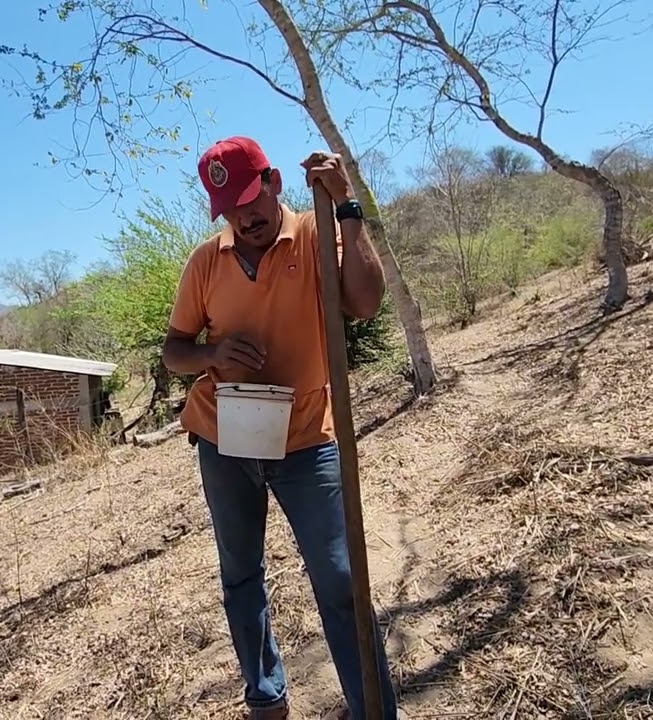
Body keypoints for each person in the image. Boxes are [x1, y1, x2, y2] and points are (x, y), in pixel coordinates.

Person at [161, 136, 400, 720]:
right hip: (224, 439)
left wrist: (346, 205)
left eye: (250, 197)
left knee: (342, 578)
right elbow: (174, 351)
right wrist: (214, 352)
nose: (245, 216)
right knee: (240, 575)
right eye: (230, 208)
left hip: (304, 439)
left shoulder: (318, 233)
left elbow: (364, 303)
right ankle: (265, 697)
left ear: (273, 183)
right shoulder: (205, 261)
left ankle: (372, 707)